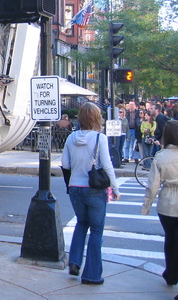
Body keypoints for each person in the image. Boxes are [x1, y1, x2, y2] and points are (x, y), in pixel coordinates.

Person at [61, 102, 120, 285]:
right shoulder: (99, 138)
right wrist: (115, 188)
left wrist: (71, 184)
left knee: (81, 223)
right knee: (96, 230)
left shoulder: (71, 138)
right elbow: (107, 165)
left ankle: (75, 262)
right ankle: (92, 274)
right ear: (96, 118)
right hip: (94, 189)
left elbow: (65, 165)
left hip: (75, 188)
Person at [142, 121, 178, 286]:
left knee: (171, 240)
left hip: (168, 203)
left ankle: (171, 273)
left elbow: (153, 185)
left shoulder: (161, 156)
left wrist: (146, 206)